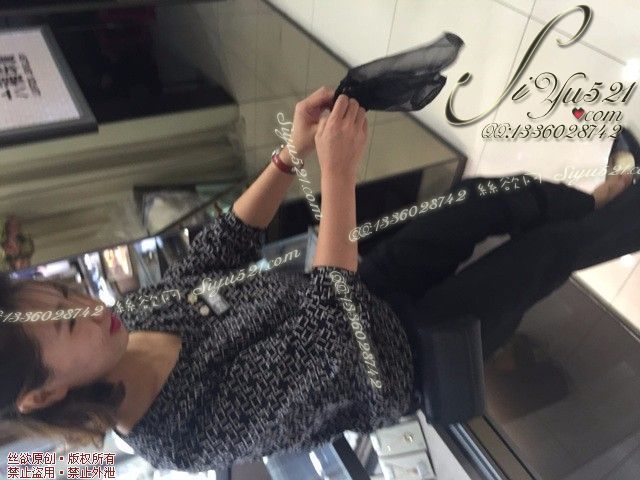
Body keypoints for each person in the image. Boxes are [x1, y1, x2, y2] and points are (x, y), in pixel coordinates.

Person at [0, 86, 638, 472]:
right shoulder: (182, 438)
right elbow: (328, 337)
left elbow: (220, 248)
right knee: (545, 255)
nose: (89, 305)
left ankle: (604, 198)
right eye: (67, 323)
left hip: (362, 289)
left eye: (67, 292)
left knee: (484, 198)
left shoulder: (129, 321)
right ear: (44, 395)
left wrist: (292, 153)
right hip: (398, 354)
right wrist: (336, 174)